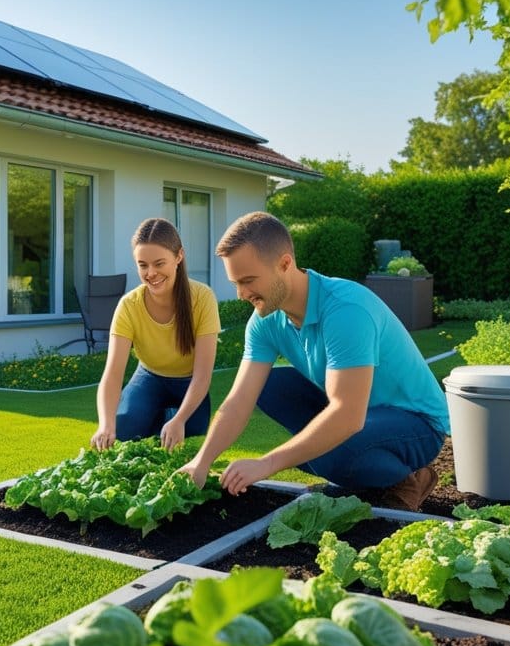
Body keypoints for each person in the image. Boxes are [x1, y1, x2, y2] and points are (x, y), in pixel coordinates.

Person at [179, 211, 449, 511]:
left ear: (284, 264)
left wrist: (267, 463)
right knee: (269, 386)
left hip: (417, 423)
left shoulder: (346, 310)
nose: (242, 294)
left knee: (326, 453)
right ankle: (353, 466)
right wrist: (200, 462)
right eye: (235, 283)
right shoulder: (265, 321)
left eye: (249, 281)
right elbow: (239, 399)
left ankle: (408, 478)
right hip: (366, 415)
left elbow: (347, 415)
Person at [90, 217, 221, 451]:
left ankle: (169, 418)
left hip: (190, 382)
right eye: (143, 265)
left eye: (159, 263)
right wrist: (105, 424)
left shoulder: (202, 298)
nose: (151, 273)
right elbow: (112, 375)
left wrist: (179, 420)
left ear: (178, 256)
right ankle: (158, 419)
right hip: (149, 378)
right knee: (124, 430)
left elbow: (202, 376)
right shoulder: (129, 305)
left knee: (189, 443)